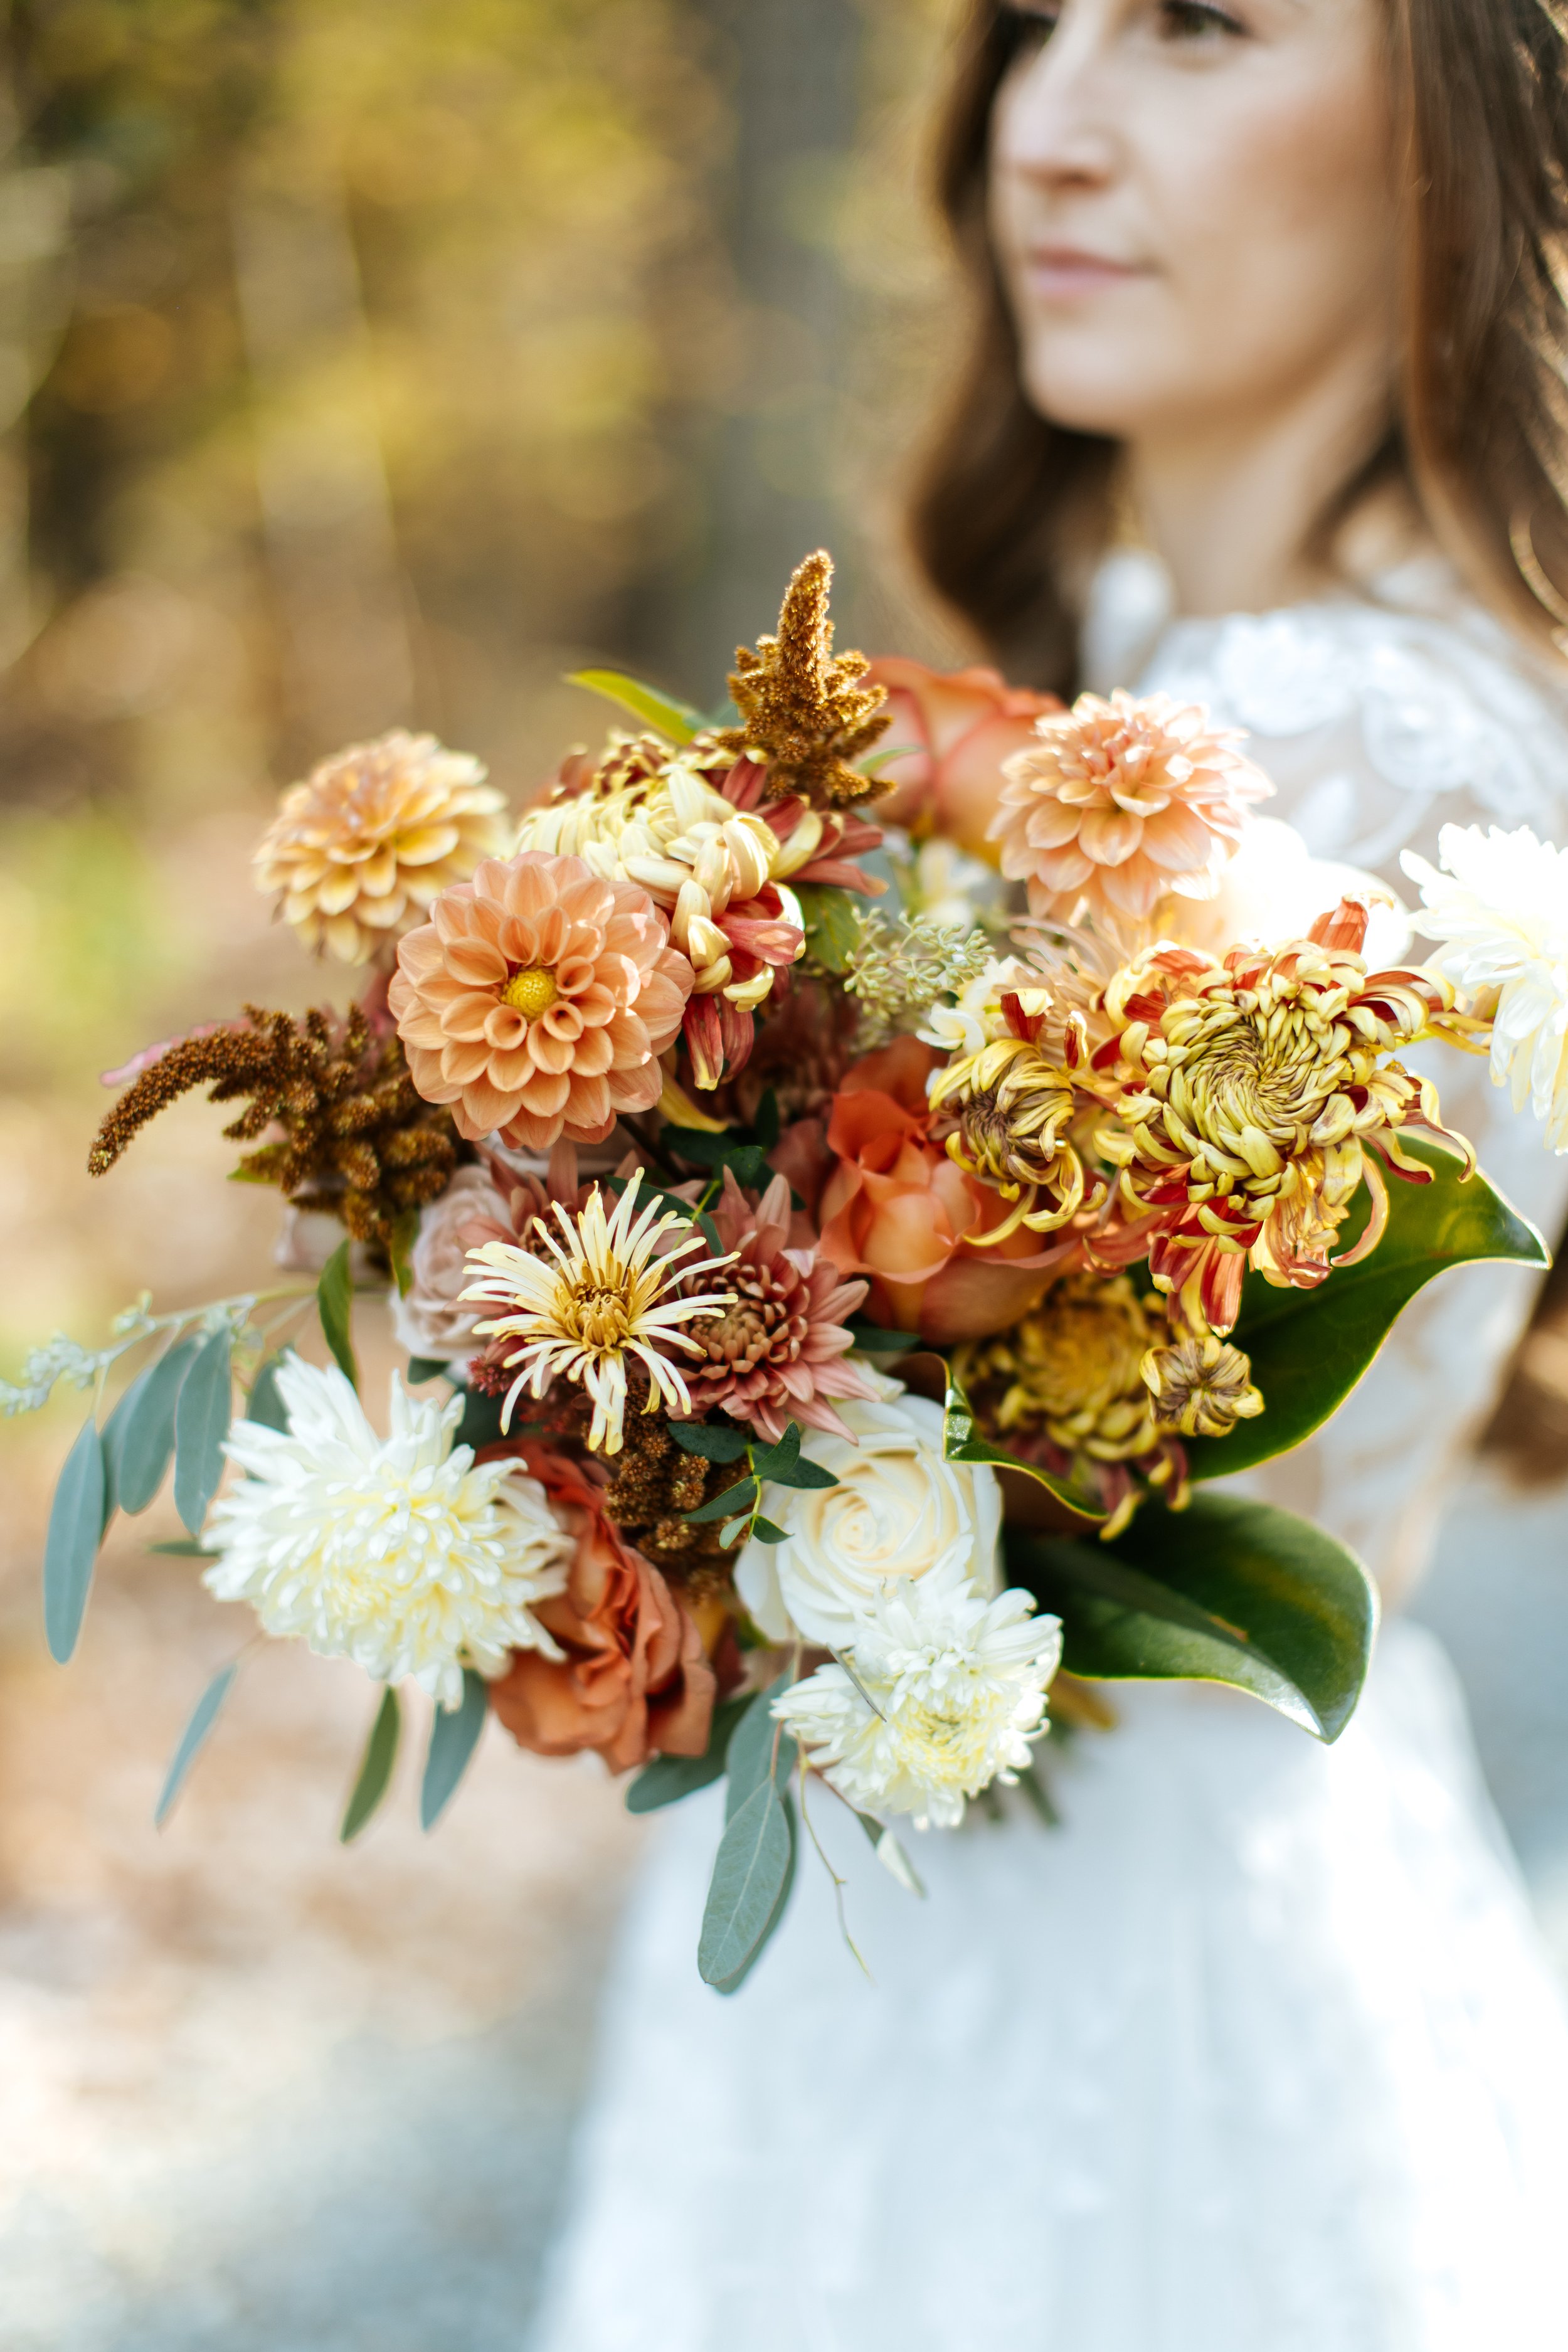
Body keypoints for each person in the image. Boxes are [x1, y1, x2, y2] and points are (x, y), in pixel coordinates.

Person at [528, 4, 1568, 2344]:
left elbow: (973, 1413)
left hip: (1125, 1942)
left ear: (1468, 116)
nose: (1050, 125)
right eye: (1034, 26)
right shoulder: (1158, 676)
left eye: (1195, 25)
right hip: (996, 1876)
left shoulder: (1341, 745)